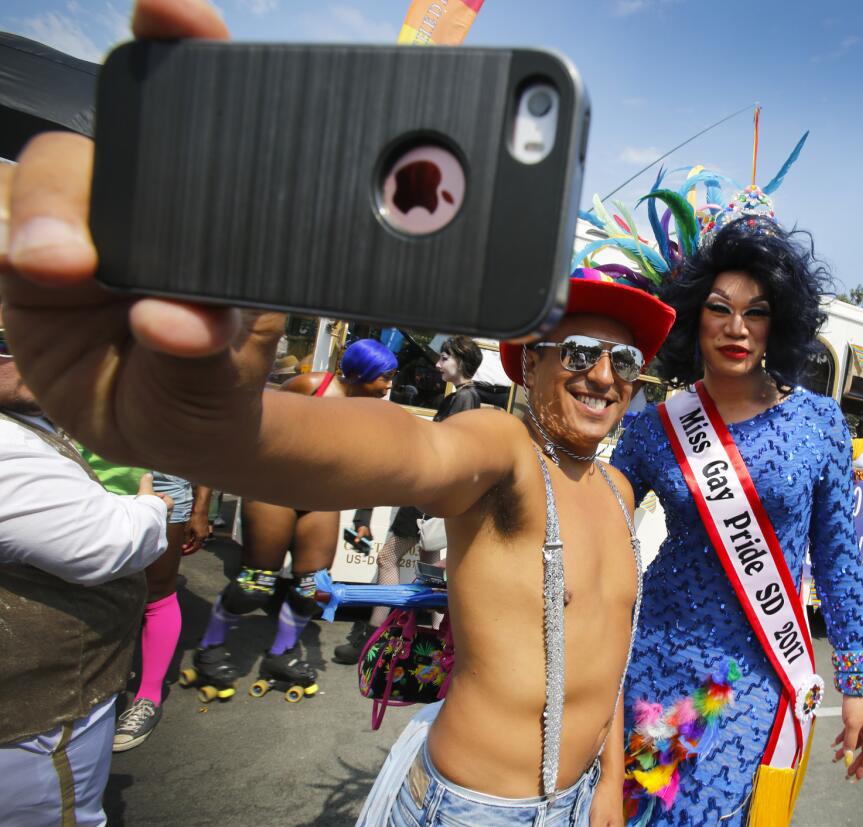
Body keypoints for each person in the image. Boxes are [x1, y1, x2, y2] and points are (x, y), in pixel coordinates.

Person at [0, 40, 678, 821]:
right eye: (582, 352)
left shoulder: (623, 493)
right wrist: (216, 425)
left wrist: (608, 797)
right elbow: (406, 448)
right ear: (528, 368)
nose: (603, 375)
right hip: (477, 808)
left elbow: (606, 663)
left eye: (624, 359)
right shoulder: (504, 451)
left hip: (582, 800)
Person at [609, 214, 863, 823]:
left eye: (756, 311)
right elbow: (596, 526)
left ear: (777, 323)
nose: (737, 328)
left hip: (755, 668)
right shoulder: (655, 428)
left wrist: (858, 687)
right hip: (653, 656)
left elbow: (838, 560)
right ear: (689, 316)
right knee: (632, 809)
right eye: (718, 308)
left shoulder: (820, 424)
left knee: (708, 812)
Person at [0, 305, 171, 825]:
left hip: (51, 693)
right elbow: (103, 543)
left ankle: (146, 692)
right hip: (41, 711)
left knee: (161, 602)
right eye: (10, 342)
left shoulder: (35, 417)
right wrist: (147, 509)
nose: (41, 358)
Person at [191, 337, 397, 696]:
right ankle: (209, 647)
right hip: (275, 491)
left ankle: (281, 654)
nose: (389, 386)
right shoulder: (311, 386)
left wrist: (362, 514)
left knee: (313, 588)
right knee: (256, 585)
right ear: (362, 373)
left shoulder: (371, 411)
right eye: (385, 377)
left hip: (320, 500)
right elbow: (252, 423)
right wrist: (206, 497)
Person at [334, 335, 483, 664]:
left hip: (426, 498)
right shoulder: (465, 397)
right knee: (430, 577)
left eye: (445, 358)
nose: (438, 364)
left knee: (388, 559)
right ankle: (433, 649)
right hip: (435, 500)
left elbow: (447, 454)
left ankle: (376, 641)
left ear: (462, 363)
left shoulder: (463, 399)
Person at [112, 472, 212, 751]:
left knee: (157, 593)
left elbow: (206, 444)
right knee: (89, 591)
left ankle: (148, 698)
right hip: (88, 478)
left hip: (162, 486)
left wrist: (201, 509)